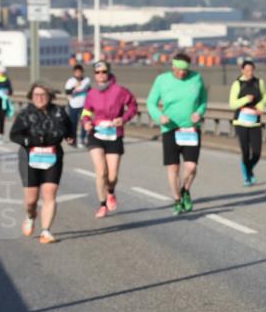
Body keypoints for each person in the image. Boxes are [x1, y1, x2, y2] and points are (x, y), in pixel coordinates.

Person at [9, 83, 74, 244]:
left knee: (50, 193)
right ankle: (30, 216)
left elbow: (69, 127)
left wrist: (69, 136)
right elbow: (14, 135)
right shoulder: (25, 114)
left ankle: (46, 231)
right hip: (29, 158)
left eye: (43, 94)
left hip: (52, 156)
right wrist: (30, 141)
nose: (39, 98)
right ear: (31, 97)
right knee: (31, 200)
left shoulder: (58, 112)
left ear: (50, 96)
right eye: (36, 95)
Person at [147, 52, 208, 215]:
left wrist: (200, 112)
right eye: (179, 69)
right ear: (173, 66)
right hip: (170, 129)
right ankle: (177, 200)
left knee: (191, 166)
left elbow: (203, 99)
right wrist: (160, 117)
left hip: (190, 129)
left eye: (185, 70)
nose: (182, 73)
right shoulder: (162, 80)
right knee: (173, 168)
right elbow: (151, 103)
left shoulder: (197, 78)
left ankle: (185, 190)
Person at [80, 61, 137, 218]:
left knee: (112, 176)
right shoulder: (91, 93)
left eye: (104, 72)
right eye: (97, 72)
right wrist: (86, 123)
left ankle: (111, 191)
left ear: (109, 73)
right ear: (94, 75)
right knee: (101, 172)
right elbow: (86, 112)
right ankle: (102, 204)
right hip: (96, 134)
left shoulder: (119, 91)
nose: (101, 75)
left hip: (114, 134)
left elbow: (133, 106)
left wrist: (123, 119)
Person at [229, 60, 266, 187]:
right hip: (241, 122)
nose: (249, 73)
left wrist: (260, 107)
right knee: (245, 151)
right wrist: (246, 99)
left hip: (255, 122)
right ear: (242, 70)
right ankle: (247, 176)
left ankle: (248, 168)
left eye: (251, 70)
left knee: (257, 152)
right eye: (246, 70)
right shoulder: (237, 84)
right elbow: (232, 103)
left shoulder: (259, 82)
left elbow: (264, 97)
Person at [64, 63, 91, 148]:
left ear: (82, 72)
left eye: (80, 72)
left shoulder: (87, 80)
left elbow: (90, 90)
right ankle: (73, 140)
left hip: (85, 105)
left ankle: (83, 139)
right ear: (74, 73)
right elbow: (67, 92)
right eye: (76, 72)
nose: (78, 74)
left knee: (85, 123)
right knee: (73, 124)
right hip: (73, 105)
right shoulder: (70, 81)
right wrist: (74, 88)